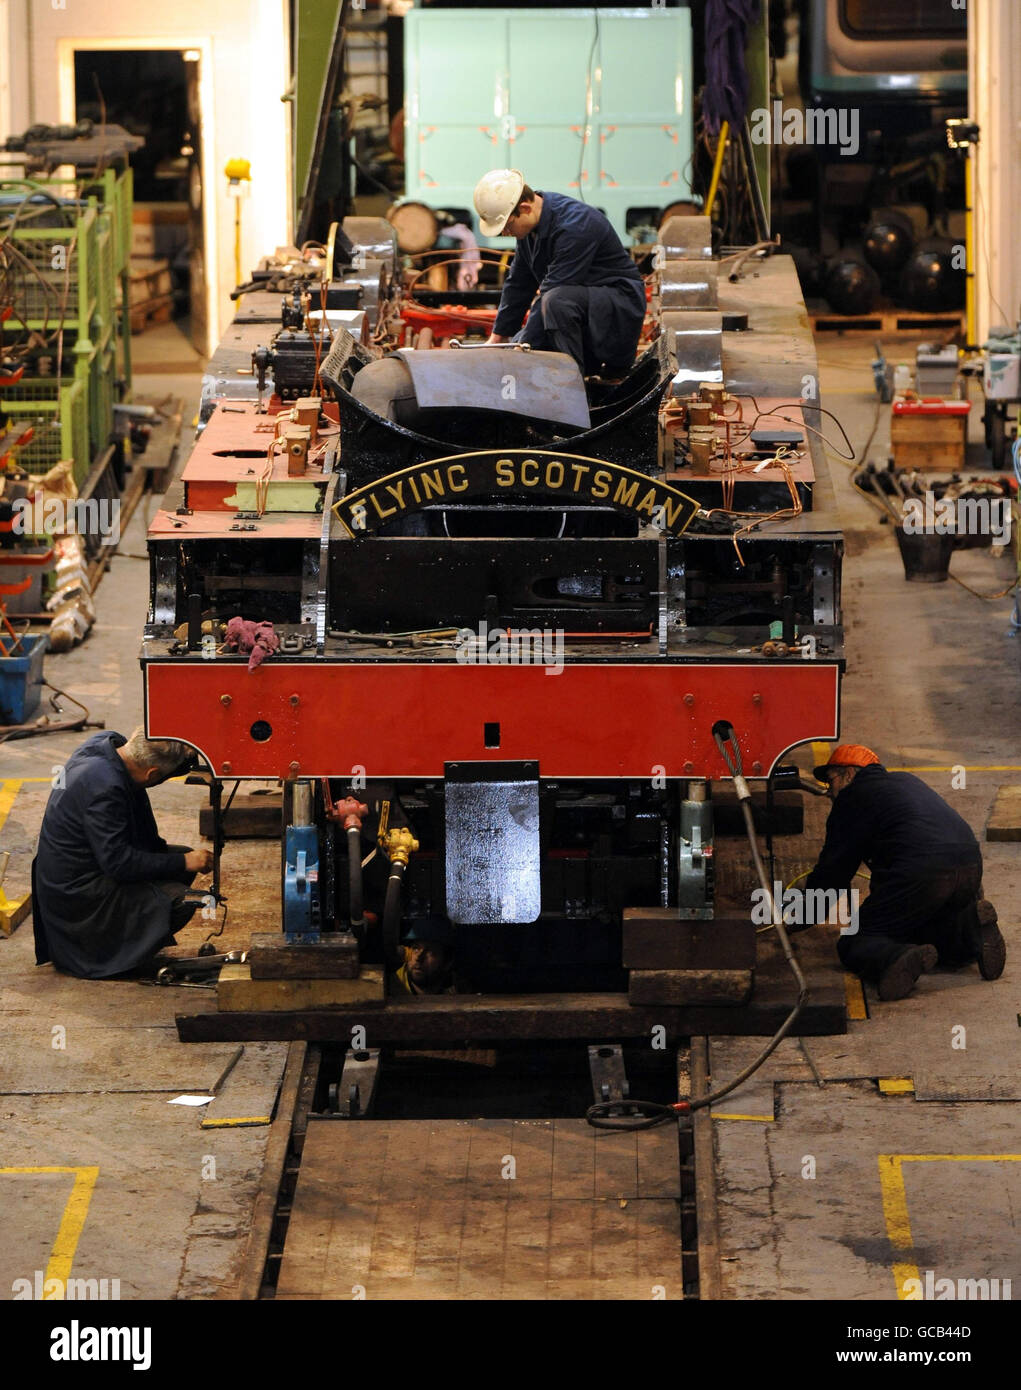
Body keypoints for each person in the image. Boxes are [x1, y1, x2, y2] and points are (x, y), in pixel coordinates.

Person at [806, 745, 1006, 1001]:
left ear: (848, 774)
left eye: (830, 781)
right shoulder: (906, 781)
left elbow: (832, 873)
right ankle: (970, 929)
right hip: (970, 865)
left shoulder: (851, 798)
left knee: (856, 940)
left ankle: (893, 959)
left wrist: (800, 915)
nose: (829, 792)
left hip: (922, 872)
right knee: (923, 928)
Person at [32, 728, 213, 979]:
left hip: (76, 871)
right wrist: (184, 861)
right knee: (184, 898)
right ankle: (104, 954)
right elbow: (119, 864)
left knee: (182, 860)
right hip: (77, 898)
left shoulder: (107, 746)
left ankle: (127, 940)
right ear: (152, 774)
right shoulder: (105, 790)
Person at [474, 168, 646, 380]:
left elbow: (552, 292)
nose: (504, 233)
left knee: (555, 303)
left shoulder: (575, 226)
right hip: (583, 305)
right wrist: (498, 339)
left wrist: (521, 348)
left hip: (617, 307)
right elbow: (519, 283)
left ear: (525, 208)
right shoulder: (530, 229)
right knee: (539, 322)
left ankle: (571, 384)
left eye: (507, 226)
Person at [390, 916, 458, 996]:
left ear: (447, 962)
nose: (418, 957)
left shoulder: (458, 993)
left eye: (430, 951)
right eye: (416, 948)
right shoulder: (388, 990)